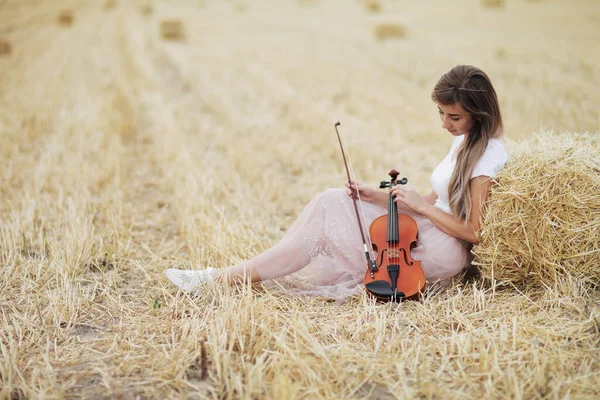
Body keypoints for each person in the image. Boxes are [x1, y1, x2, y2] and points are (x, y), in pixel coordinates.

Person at [165, 65, 508, 301]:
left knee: (366, 243)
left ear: (480, 114)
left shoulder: (488, 155)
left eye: (454, 116)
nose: (445, 123)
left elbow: (474, 231)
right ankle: (229, 275)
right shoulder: (462, 140)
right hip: (429, 227)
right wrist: (381, 195)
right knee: (332, 200)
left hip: (445, 249)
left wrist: (419, 205)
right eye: (441, 114)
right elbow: (438, 198)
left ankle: (218, 278)